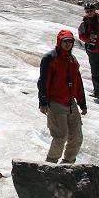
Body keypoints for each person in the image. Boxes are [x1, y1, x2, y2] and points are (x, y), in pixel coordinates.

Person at [37, 30, 87, 164]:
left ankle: (68, 164)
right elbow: (43, 81)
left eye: (70, 42)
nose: (68, 44)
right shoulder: (50, 58)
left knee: (76, 138)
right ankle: (50, 163)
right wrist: (43, 102)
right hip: (55, 103)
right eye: (65, 41)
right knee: (60, 136)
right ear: (60, 41)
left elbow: (78, 82)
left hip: (71, 104)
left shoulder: (72, 59)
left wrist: (82, 103)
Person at [78, 2, 99, 99]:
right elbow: (81, 35)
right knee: (94, 71)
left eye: (91, 10)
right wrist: (89, 38)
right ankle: (96, 90)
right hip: (92, 51)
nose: (89, 13)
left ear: (94, 10)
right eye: (87, 11)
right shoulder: (84, 23)